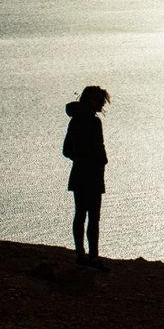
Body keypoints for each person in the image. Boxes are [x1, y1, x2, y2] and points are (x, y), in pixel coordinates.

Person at [63, 85, 111, 271]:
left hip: (86, 173)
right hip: (89, 174)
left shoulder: (78, 122)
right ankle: (88, 256)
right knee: (89, 216)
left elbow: (67, 150)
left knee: (85, 215)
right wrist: (89, 159)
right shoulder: (90, 123)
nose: (102, 104)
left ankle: (84, 255)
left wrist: (83, 158)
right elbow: (69, 150)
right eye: (99, 100)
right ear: (91, 101)